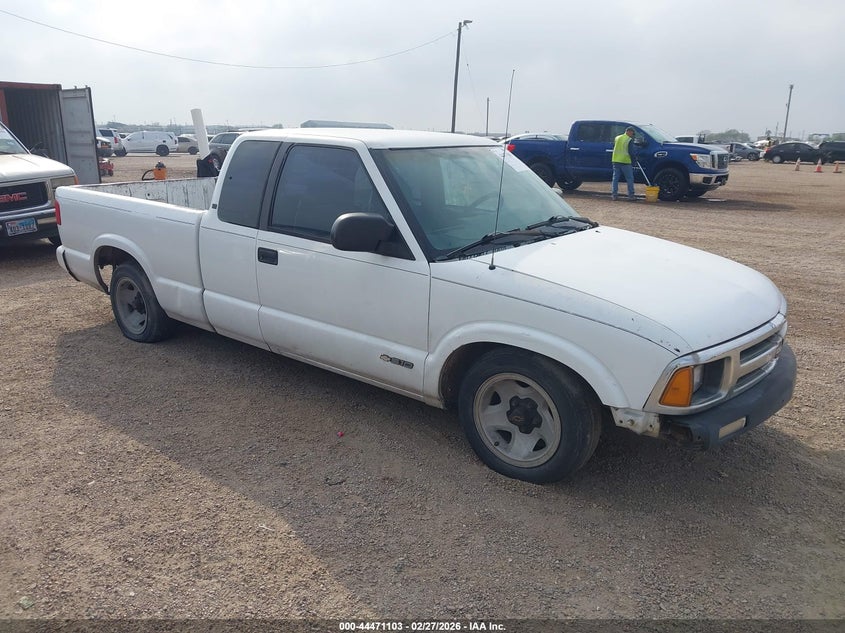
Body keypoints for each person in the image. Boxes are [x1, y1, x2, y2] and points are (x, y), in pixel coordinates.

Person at [611, 126, 637, 201]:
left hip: (615, 160)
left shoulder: (617, 137)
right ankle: (631, 195)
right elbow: (631, 152)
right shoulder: (629, 139)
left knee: (615, 178)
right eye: (632, 133)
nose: (632, 135)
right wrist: (634, 160)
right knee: (629, 179)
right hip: (625, 161)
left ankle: (614, 195)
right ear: (629, 131)